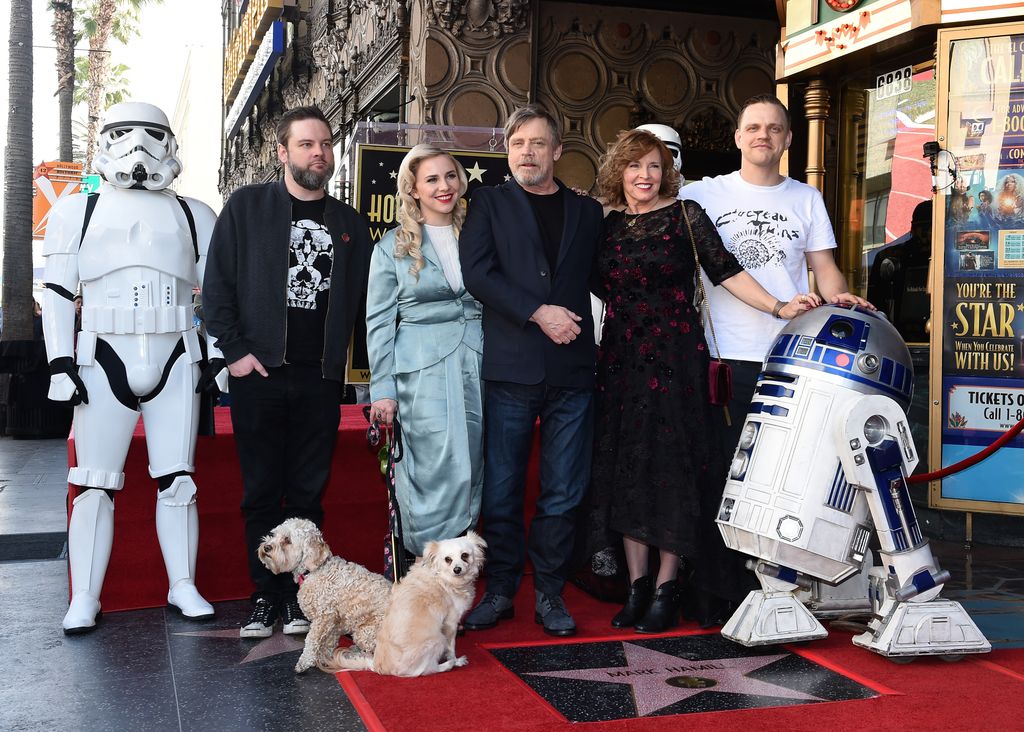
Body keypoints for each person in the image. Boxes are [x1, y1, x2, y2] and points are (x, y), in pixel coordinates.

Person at [588, 129, 816, 633]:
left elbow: (726, 271)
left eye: (653, 165)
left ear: (666, 171)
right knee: (627, 470)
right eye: (633, 166)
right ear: (617, 173)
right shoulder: (605, 226)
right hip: (622, 363)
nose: (644, 175)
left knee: (673, 470)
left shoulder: (686, 217)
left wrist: (779, 306)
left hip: (676, 362)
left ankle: (669, 585)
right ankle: (636, 584)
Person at [680, 94, 870, 621]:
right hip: (723, 357)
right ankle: (713, 593)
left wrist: (841, 296)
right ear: (739, 138)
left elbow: (823, 268)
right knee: (723, 471)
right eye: (753, 127)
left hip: (791, 359)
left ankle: (767, 590)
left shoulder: (805, 198)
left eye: (774, 128)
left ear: (788, 140)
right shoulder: (702, 194)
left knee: (777, 477)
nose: (763, 135)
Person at [41, 101, 217, 634]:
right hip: (102, 353)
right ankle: (87, 595)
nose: (138, 145)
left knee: (178, 479)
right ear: (104, 140)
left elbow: (217, 293)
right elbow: (55, 291)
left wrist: (216, 353)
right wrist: (59, 361)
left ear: (170, 142)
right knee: (93, 484)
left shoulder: (195, 214)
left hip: (177, 351)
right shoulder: (78, 210)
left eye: (151, 134)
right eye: (122, 132)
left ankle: (182, 583)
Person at [203, 106, 372, 639]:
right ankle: (263, 595)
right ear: (283, 152)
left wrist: (364, 375)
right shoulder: (247, 207)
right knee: (261, 492)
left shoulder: (350, 223)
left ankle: (301, 600)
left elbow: (368, 302)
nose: (318, 153)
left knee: (305, 495)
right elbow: (217, 287)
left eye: (325, 144)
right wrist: (234, 352)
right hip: (258, 374)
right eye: (305, 144)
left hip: (320, 378)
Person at [459, 104, 604, 637]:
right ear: (507, 149)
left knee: (564, 490)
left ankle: (548, 593)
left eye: (538, 144)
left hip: (572, 371)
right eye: (519, 143)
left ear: (557, 152)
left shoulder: (587, 213)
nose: (527, 153)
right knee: (501, 488)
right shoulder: (488, 204)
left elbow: (607, 277)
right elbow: (478, 274)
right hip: (512, 367)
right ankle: (499, 590)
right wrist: (538, 312)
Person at [365, 144, 483, 557]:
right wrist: (382, 389)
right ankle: (426, 557)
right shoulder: (392, 248)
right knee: (433, 467)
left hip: (479, 363)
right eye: (431, 179)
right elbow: (379, 323)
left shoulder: (478, 234)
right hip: (421, 372)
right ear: (412, 189)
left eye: (450, 176)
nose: (444, 186)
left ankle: (462, 560)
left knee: (472, 463)